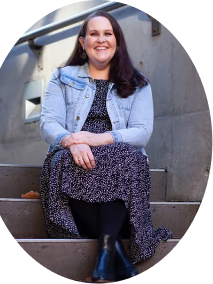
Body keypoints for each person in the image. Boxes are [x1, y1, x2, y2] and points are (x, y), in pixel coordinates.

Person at [40, 10, 172, 283]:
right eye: (94, 33)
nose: (101, 40)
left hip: (116, 154)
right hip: (72, 154)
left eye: (108, 33)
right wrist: (71, 142)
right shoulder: (62, 77)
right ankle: (117, 258)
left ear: (117, 41)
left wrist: (96, 138)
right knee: (65, 161)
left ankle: (104, 258)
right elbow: (49, 123)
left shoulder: (138, 82)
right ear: (82, 42)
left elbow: (141, 132)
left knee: (127, 157)